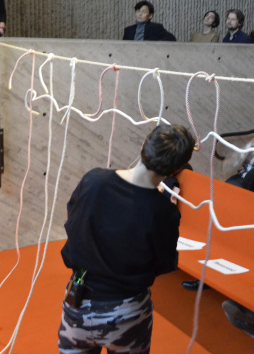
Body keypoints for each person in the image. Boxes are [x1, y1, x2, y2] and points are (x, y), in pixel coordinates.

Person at [58, 124, 194, 354]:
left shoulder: (94, 180)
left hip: (79, 303)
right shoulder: (162, 211)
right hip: (127, 313)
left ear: (143, 146)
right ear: (177, 169)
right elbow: (164, 263)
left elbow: (73, 220)